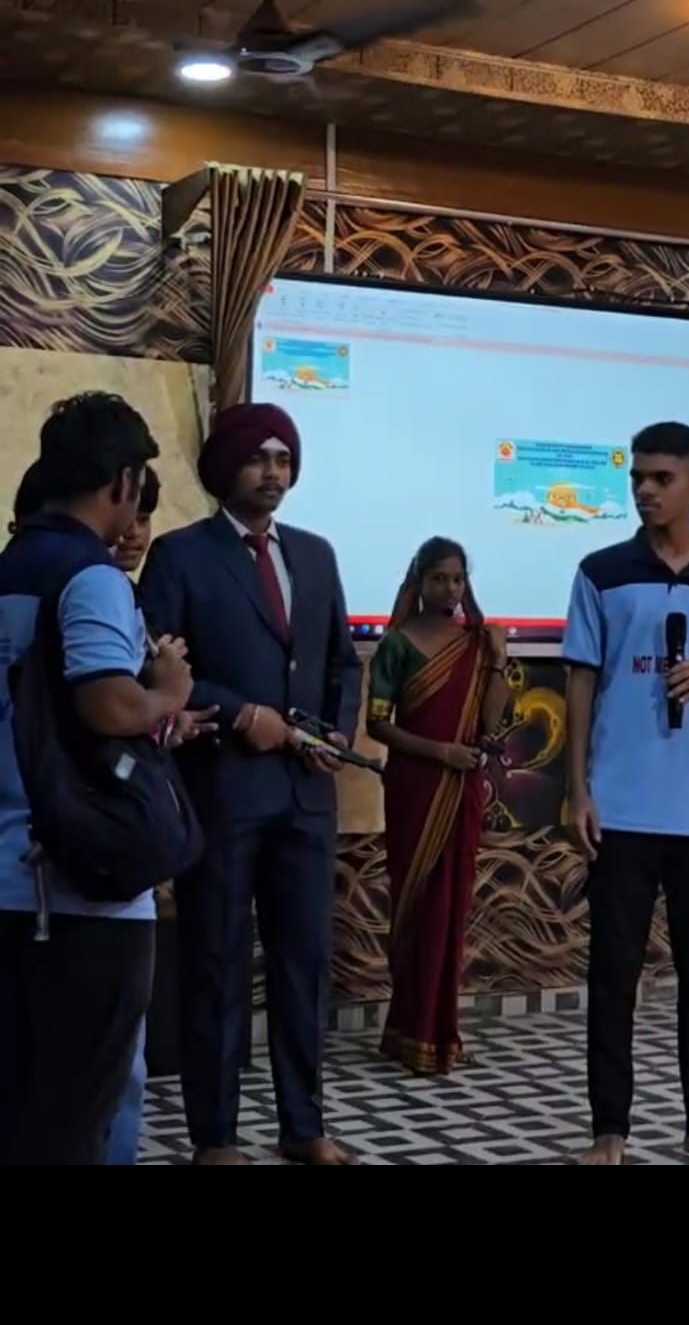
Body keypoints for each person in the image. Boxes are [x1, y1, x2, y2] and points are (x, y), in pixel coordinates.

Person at [139, 403, 362, 1165]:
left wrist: (336, 732)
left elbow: (343, 665)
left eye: (284, 459)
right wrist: (241, 715)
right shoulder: (180, 555)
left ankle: (304, 1126)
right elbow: (159, 665)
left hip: (307, 795)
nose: (273, 472)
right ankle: (217, 1136)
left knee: (305, 965)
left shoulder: (316, 555)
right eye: (259, 457)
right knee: (217, 962)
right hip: (225, 794)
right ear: (224, 466)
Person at [0, 393, 193, 1165]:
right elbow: (109, 705)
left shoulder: (9, 569)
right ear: (123, 480)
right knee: (80, 1119)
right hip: (81, 892)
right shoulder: (91, 578)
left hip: (9, 885)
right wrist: (168, 692)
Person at [564, 421, 689, 1166]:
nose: (646, 491)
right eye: (637, 478)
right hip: (621, 809)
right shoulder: (601, 571)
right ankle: (610, 1130)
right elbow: (581, 680)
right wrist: (577, 790)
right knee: (613, 979)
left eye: (663, 478)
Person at [366, 537, 509, 1075]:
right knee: (417, 902)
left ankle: (441, 1034)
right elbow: (377, 724)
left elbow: (490, 723)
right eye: (439, 579)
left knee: (452, 907)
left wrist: (498, 661)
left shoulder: (475, 643)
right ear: (419, 581)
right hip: (414, 786)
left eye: (458, 579)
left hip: (461, 789)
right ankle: (408, 1030)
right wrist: (441, 753)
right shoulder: (396, 644)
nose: (450, 589)